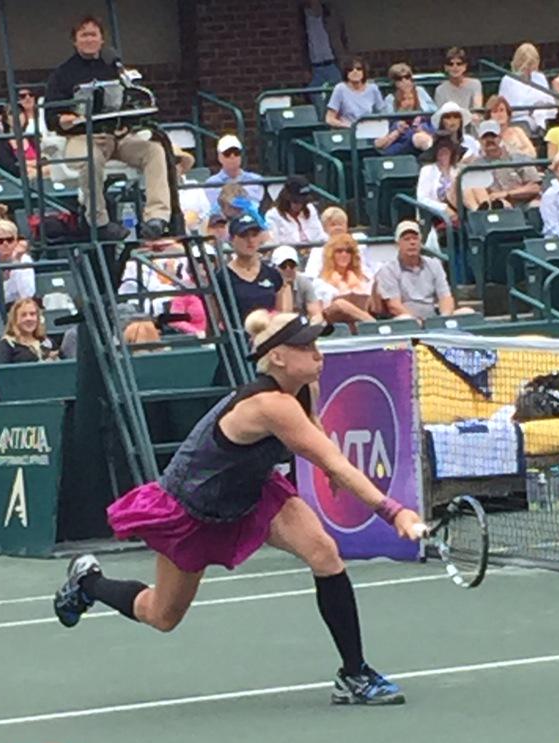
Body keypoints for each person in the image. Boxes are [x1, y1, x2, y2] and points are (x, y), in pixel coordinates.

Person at [54, 309, 423, 706]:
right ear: (277, 356)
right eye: (306, 347)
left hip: (255, 491)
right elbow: (334, 459)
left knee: (324, 552)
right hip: (193, 509)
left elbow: (316, 433)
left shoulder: (303, 389)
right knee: (162, 615)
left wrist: (329, 465)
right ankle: (87, 582)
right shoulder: (268, 404)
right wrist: (393, 511)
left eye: (317, 344)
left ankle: (354, 674)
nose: (318, 354)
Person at [45, 14, 172, 241]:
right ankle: (99, 221)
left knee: (154, 150)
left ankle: (157, 217)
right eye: (84, 35)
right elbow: (51, 117)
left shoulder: (114, 68)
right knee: (91, 159)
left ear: (102, 39)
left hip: (117, 136)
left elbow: (132, 101)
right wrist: (67, 119)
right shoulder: (62, 74)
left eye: (93, 34)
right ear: (75, 40)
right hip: (82, 138)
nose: (89, 39)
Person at [377, 220, 464, 322]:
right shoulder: (388, 270)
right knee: (405, 318)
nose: (412, 242)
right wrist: (416, 321)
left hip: (432, 318)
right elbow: (394, 305)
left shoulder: (434, 264)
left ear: (420, 242)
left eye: (415, 238)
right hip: (405, 322)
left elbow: (446, 297)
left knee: (466, 312)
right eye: (406, 239)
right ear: (397, 245)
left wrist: (444, 317)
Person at [214, 212, 286, 325]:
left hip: (268, 338)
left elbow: (281, 315)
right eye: (243, 235)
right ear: (232, 239)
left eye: (254, 234)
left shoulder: (272, 274)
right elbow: (215, 320)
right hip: (237, 340)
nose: (250, 240)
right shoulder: (221, 278)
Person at [462, 120, 541, 211]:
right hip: (495, 206)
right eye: (485, 137)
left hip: (524, 204)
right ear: (480, 140)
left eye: (493, 136)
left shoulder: (518, 157)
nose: (489, 140)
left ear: (500, 137)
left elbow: (535, 187)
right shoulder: (476, 165)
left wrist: (507, 193)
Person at [314, 233, 379, 328]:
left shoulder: (363, 278)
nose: (344, 254)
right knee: (340, 304)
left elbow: (375, 307)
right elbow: (320, 311)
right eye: (339, 251)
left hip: (360, 323)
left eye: (348, 251)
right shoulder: (320, 281)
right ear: (331, 254)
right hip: (333, 325)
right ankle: (372, 323)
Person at [376, 63, 434, 156]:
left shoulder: (420, 91)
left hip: (422, 130)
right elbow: (388, 122)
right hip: (401, 136)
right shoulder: (390, 99)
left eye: (407, 77)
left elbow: (433, 110)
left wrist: (421, 117)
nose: (404, 81)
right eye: (399, 79)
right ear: (394, 81)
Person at [299, 0, 347, 111]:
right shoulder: (303, 17)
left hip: (332, 63)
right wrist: (306, 68)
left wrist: (343, 59)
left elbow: (341, 38)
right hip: (315, 67)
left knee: (338, 94)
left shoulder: (330, 14)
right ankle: (323, 121)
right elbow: (303, 44)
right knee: (314, 94)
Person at [498, 43, 556, 134]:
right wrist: (529, 110)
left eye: (532, 65)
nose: (529, 69)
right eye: (527, 65)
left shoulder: (540, 77)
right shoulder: (508, 80)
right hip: (520, 119)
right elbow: (506, 108)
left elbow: (550, 100)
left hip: (542, 116)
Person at [265, 175, 326, 246]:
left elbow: (320, 236)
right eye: (295, 201)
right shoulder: (273, 216)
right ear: (286, 198)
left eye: (303, 202)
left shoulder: (310, 209)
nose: (299, 205)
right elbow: (273, 244)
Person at [325, 56, 384, 129]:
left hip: (369, 129)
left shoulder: (373, 88)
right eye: (350, 69)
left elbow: (383, 113)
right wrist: (348, 125)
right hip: (348, 130)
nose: (355, 71)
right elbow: (329, 119)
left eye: (359, 69)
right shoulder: (340, 88)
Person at [204, 135, 263, 205]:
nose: (232, 156)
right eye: (227, 153)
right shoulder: (211, 183)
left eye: (236, 152)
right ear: (219, 157)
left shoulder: (256, 179)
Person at [417, 131, 462, 220]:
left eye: (446, 152)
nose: (443, 155)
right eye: (440, 152)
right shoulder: (427, 170)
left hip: (458, 207)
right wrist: (443, 208)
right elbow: (422, 199)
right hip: (434, 215)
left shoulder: (458, 170)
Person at [0, 297, 54, 363]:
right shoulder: (7, 344)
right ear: (15, 319)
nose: (29, 318)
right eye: (23, 315)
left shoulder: (46, 341)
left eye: (32, 314)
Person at [272, 245, 322, 319]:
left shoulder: (304, 282)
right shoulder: (268, 285)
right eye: (283, 266)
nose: (288, 269)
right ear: (274, 268)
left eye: (292, 265)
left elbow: (315, 312)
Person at [174, 146, 211, 235]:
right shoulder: (157, 191)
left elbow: (207, 212)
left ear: (181, 165)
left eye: (176, 161)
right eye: (167, 161)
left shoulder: (195, 185)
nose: (173, 165)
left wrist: (196, 218)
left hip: (199, 236)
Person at [434, 47, 483, 113]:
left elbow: (477, 109)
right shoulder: (440, 90)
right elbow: (441, 114)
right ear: (446, 67)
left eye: (459, 64)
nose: (455, 67)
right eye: (451, 64)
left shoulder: (475, 84)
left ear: (465, 66)